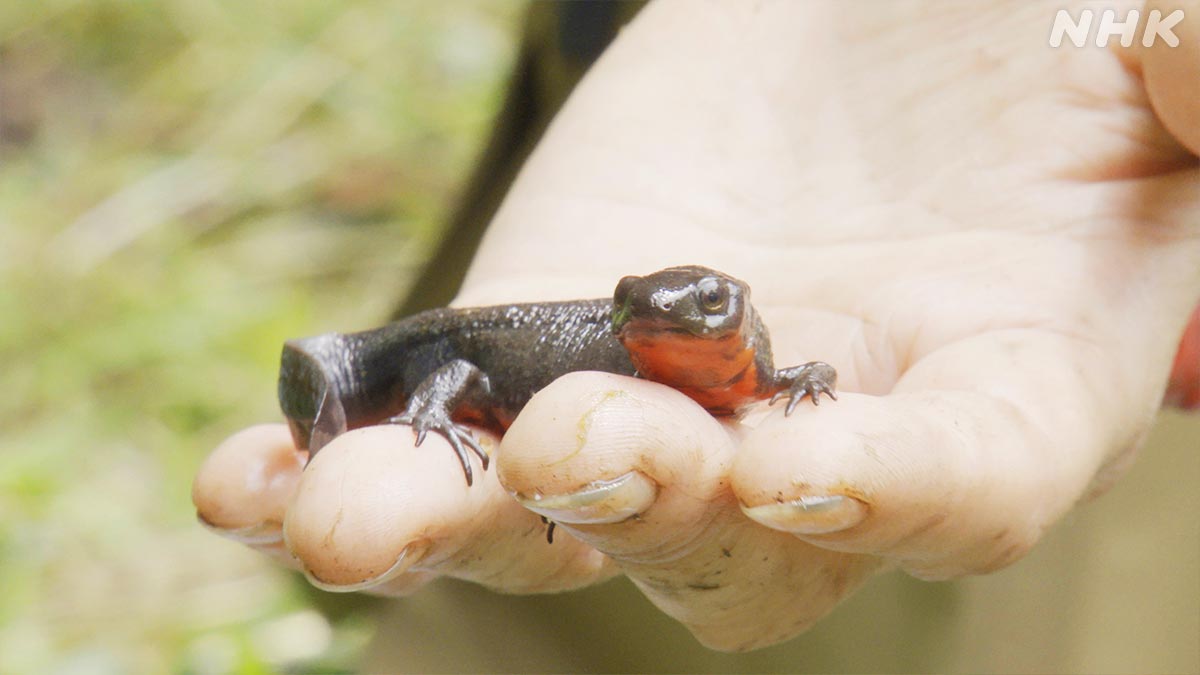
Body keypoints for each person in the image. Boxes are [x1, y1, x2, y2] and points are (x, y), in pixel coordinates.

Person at [193, 0, 1199, 658]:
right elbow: (472, 364)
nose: (670, 323)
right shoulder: (639, 346)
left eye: (706, 310)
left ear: (740, 319)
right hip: (603, 92)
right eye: (641, 311)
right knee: (550, 592)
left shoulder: (756, 369)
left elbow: (796, 374)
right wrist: (433, 411)